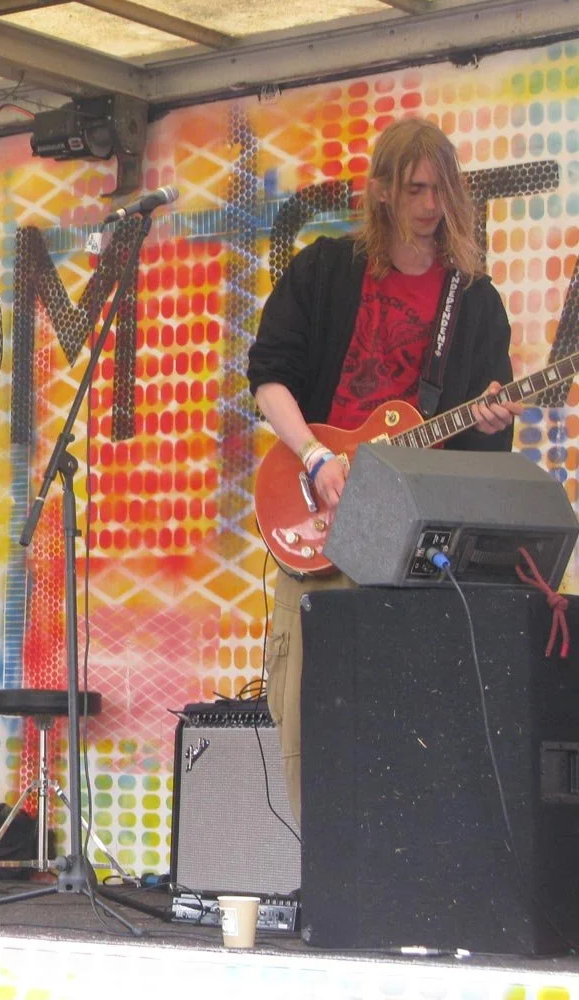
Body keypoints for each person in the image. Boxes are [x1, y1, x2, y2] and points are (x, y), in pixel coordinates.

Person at [246, 116, 521, 823]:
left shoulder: (476, 303)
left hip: (410, 544)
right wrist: (313, 457)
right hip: (318, 516)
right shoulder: (326, 270)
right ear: (381, 193)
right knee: (305, 714)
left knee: (405, 721)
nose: (431, 206)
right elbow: (269, 378)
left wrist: (492, 418)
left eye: (441, 190)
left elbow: (485, 460)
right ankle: (314, 874)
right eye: (415, 189)